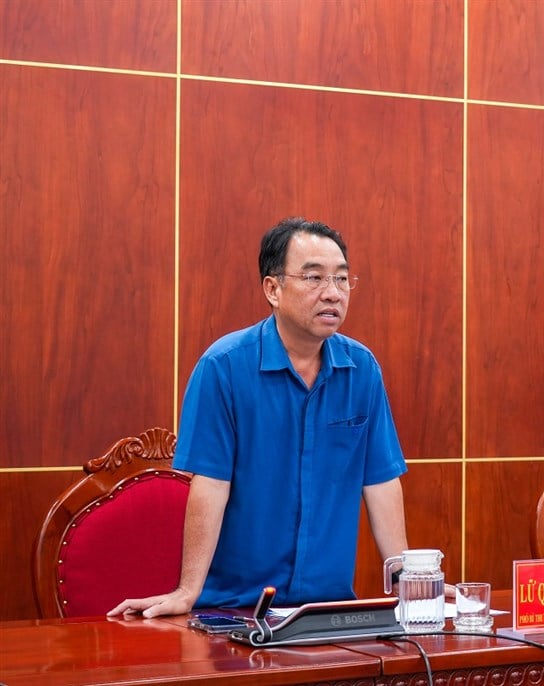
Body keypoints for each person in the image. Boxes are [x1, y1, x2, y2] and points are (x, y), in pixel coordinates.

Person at [109, 217, 409, 618]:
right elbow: (210, 485)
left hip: (327, 608)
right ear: (273, 289)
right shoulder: (224, 367)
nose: (333, 293)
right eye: (314, 278)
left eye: (341, 279)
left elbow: (380, 482)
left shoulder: (362, 369)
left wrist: (407, 580)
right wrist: (187, 591)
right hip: (236, 608)